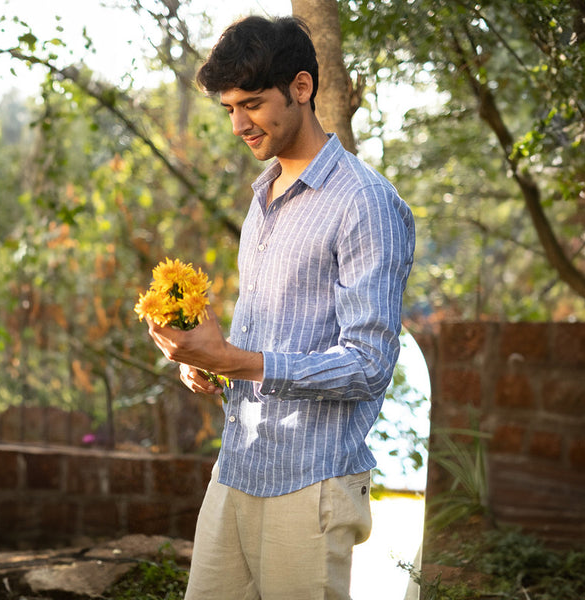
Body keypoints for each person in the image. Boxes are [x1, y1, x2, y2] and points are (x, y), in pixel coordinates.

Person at [146, 14, 415, 600]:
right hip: (238, 467)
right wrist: (209, 361)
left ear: (301, 87)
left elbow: (369, 365)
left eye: (252, 104)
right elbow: (267, 336)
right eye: (229, 109)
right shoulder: (263, 197)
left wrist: (238, 360)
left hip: (310, 484)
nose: (239, 124)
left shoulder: (364, 202)